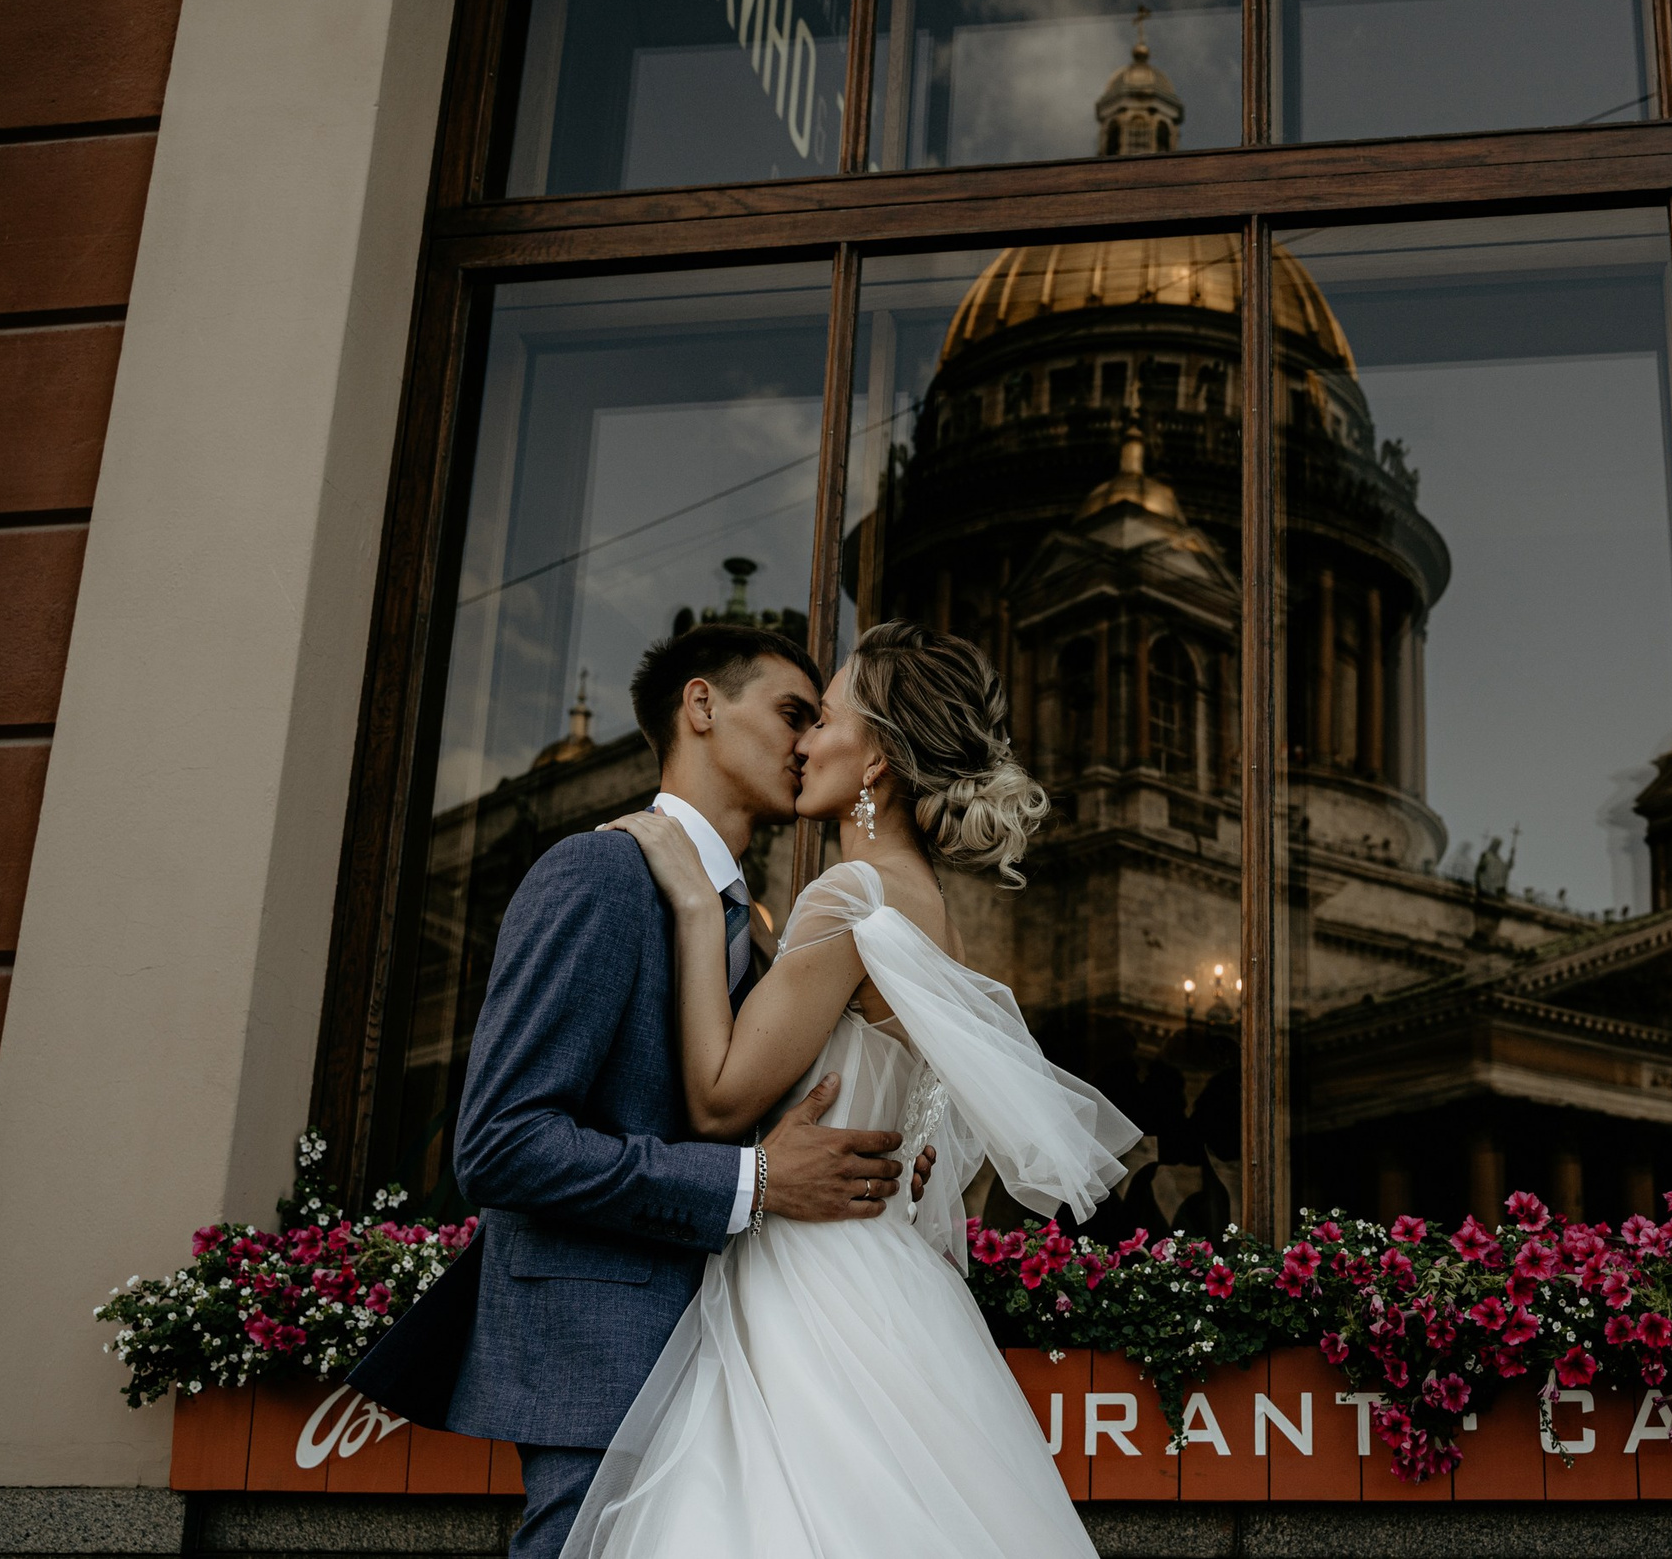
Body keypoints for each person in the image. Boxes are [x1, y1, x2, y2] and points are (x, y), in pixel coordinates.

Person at [347, 622, 937, 1559]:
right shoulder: (598, 873)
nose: (805, 742)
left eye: (818, 721)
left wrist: (879, 1145)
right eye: (792, 712)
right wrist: (751, 1183)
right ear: (701, 706)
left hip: (746, 1349)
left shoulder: (767, 929)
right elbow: (501, 1141)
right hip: (605, 1351)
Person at [562, 620, 1138, 1558]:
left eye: (821, 717)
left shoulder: (850, 895)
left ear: (873, 756)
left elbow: (716, 1099)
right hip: (897, 1287)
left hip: (811, 1277)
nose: (802, 741)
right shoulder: (931, 915)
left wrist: (691, 907)